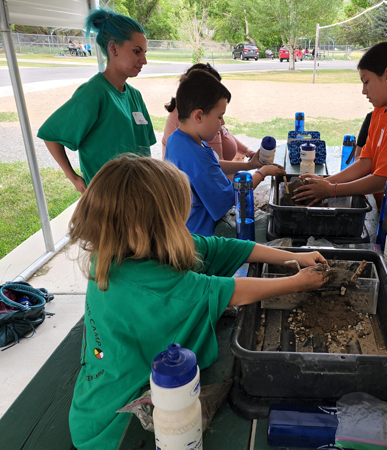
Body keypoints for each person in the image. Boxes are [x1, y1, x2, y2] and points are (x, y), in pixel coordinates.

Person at [67, 156, 328, 450]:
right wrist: (298, 282)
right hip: (117, 427)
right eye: (180, 213)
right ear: (156, 226)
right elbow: (228, 292)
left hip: (92, 402)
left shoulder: (119, 249)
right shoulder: (149, 284)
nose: (187, 215)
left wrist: (297, 258)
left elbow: (222, 247)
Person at [294, 41, 387, 262]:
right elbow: (366, 162)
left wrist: (331, 191)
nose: (363, 91)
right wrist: (327, 182)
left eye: (367, 81)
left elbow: (384, 180)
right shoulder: (381, 111)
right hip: (385, 214)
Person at [37, 9, 154, 193]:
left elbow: (145, 149)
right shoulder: (95, 92)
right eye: (137, 52)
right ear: (113, 48)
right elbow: (50, 134)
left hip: (140, 197)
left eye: (145, 52)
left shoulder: (135, 96)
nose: (144, 60)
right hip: (108, 203)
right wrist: (73, 177)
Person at [165, 69, 284, 236]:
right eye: (220, 116)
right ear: (199, 116)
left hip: (186, 228)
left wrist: (249, 165)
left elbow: (214, 165)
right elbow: (229, 198)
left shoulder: (178, 139)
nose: (223, 122)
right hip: (202, 238)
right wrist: (262, 172)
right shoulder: (196, 156)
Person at [162, 63, 256, 162]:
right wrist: (260, 173)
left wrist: (247, 153)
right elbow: (217, 167)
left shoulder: (198, 128)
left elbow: (223, 131)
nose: (222, 122)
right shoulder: (205, 127)